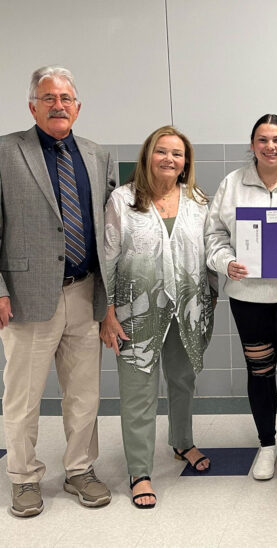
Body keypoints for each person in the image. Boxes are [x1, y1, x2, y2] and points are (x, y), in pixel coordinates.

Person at [0, 66, 115, 517]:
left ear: (78, 107)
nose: (58, 105)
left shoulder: (95, 154)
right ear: (32, 106)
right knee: (23, 396)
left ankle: (79, 470)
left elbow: (108, 224)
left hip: (85, 292)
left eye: (66, 98)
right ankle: (24, 477)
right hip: (27, 296)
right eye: (48, 99)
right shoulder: (7, 152)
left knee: (84, 394)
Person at [100, 126, 216, 509]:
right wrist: (108, 312)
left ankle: (182, 442)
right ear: (147, 155)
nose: (170, 159)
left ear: (186, 162)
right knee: (138, 391)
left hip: (187, 308)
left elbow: (211, 249)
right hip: (136, 310)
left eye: (177, 154)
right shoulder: (123, 199)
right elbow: (108, 258)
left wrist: (212, 295)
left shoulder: (198, 199)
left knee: (183, 379)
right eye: (162, 152)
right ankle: (140, 470)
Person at [205, 114, 277, 480]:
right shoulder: (232, 184)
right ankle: (267, 445)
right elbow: (214, 236)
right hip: (248, 296)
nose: (270, 147)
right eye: (263, 140)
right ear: (252, 145)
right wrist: (226, 261)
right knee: (260, 368)